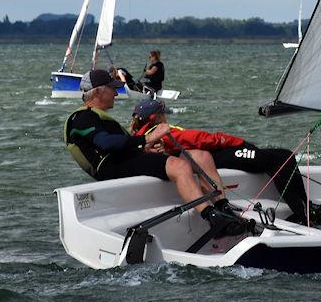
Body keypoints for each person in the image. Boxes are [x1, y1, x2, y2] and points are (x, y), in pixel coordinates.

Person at [64, 69, 252, 235]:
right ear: (98, 91)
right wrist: (147, 139)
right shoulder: (82, 118)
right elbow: (105, 144)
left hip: (125, 161)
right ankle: (212, 218)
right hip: (112, 168)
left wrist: (144, 148)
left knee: (200, 155)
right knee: (178, 166)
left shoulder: (96, 117)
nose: (116, 92)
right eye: (112, 88)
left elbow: (122, 145)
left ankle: (222, 206)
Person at [129, 97, 321, 228]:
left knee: (285, 155)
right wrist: (238, 142)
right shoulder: (157, 133)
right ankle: (302, 214)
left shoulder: (145, 134)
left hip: (219, 154)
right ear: (156, 117)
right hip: (221, 155)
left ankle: (306, 208)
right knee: (276, 160)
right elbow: (199, 139)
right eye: (163, 112)